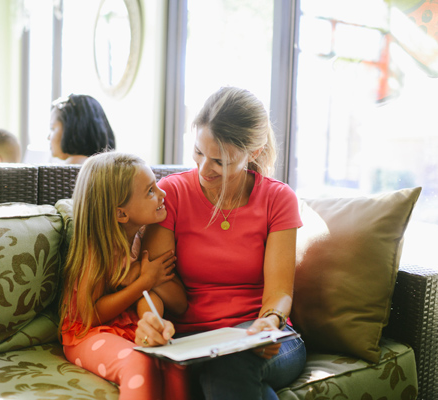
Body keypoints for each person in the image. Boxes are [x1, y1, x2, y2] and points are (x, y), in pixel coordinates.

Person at [135, 86, 307, 400]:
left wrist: (270, 322)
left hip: (265, 336)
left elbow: (280, 291)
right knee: (225, 371)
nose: (203, 169)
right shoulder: (171, 194)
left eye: (219, 161)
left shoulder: (278, 199)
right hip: (193, 341)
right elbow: (156, 282)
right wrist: (151, 318)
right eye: (199, 152)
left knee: (227, 365)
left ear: (253, 153)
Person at [59, 151, 189, 400]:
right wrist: (143, 281)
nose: (162, 194)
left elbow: (171, 301)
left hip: (127, 329)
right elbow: (91, 314)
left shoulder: (142, 242)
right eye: (151, 191)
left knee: (175, 363)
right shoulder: (97, 252)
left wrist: (151, 320)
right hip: (85, 333)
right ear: (121, 214)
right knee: (138, 363)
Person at [48, 94, 115, 164]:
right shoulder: (103, 165)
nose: (48, 137)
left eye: (52, 128)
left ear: (72, 130)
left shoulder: (74, 163)